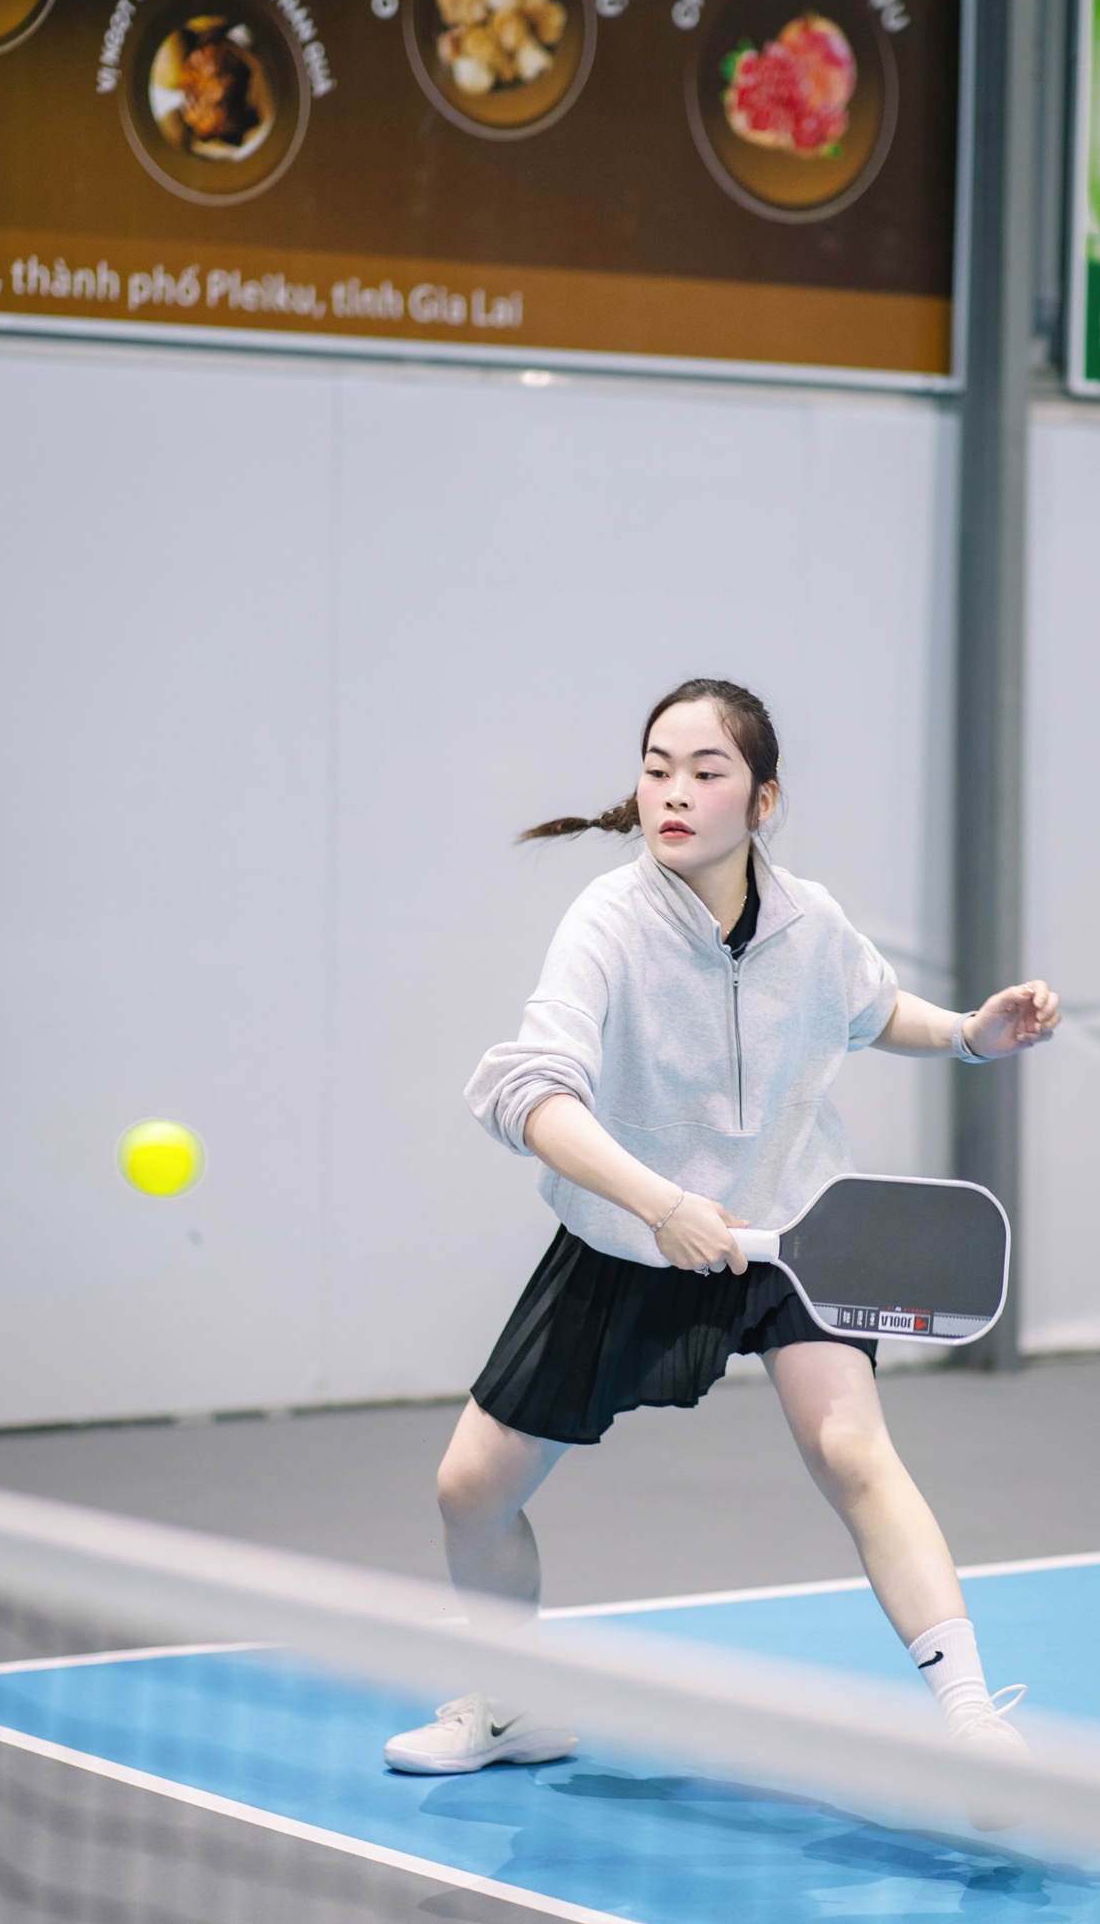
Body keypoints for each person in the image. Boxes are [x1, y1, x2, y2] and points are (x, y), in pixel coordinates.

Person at [385, 679, 1060, 1776]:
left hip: (792, 1229)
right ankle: (512, 1702)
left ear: (762, 800)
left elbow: (871, 1007)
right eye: (657, 769)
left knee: (852, 1451)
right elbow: (533, 1093)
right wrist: (659, 1204)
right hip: (633, 1240)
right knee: (469, 1491)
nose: (674, 793)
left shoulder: (811, 922)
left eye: (706, 772)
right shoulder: (607, 924)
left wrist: (969, 1034)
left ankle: (973, 1718)